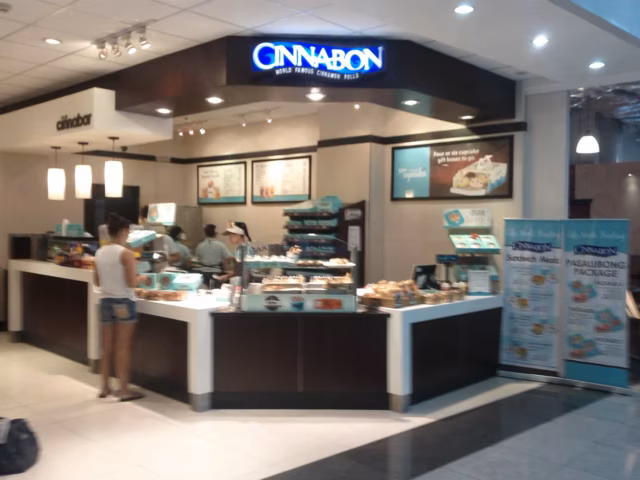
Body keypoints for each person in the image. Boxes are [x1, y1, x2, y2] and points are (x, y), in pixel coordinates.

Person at [94, 213, 144, 402]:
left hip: (105, 302)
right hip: (123, 302)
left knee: (106, 347)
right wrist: (141, 278)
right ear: (123, 231)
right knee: (123, 348)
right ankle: (123, 389)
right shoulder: (126, 253)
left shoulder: (100, 252)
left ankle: (104, 387)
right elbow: (131, 283)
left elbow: (97, 281)